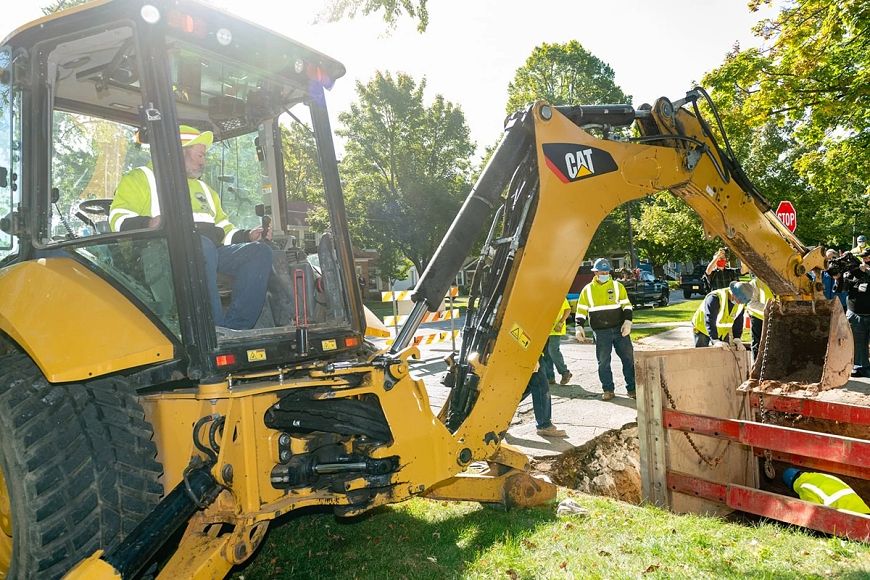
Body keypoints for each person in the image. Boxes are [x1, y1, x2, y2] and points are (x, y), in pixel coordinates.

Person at [110, 125, 273, 330]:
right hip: (159, 254)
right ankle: (210, 329)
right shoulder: (141, 178)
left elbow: (224, 230)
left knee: (259, 253)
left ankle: (235, 329)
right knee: (201, 246)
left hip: (205, 253)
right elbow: (118, 218)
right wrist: (149, 223)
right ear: (179, 152)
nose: (203, 161)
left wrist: (248, 235)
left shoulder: (206, 190)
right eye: (200, 155)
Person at [574, 258, 635, 401]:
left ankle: (632, 388)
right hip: (601, 332)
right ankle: (608, 389)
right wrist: (578, 326)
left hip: (620, 329)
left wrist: (628, 322)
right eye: (602, 272)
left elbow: (626, 305)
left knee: (628, 359)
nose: (604, 274)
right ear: (595, 272)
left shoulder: (617, 286)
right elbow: (581, 310)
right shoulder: (587, 290)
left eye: (607, 272)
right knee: (603, 362)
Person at [833, 248, 870, 377]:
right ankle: (860, 366)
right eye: (863, 258)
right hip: (856, 313)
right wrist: (839, 277)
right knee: (858, 342)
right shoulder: (855, 271)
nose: (865, 260)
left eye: (867, 258)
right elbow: (841, 287)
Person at [692, 281, 754, 347]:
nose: (740, 303)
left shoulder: (740, 303)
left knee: (724, 352)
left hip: (722, 332)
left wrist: (737, 338)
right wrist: (715, 340)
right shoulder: (715, 298)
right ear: (733, 294)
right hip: (702, 328)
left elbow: (738, 320)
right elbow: (710, 319)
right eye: (739, 300)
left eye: (742, 302)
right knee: (702, 354)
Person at [782, 468, 870, 514]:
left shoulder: (804, 488)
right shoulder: (822, 476)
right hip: (864, 510)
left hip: (850, 517)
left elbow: (814, 512)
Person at [524, 355, 568, 438]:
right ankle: (544, 425)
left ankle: (498, 416)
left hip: (532, 352)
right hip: (529, 352)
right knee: (541, 386)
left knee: (527, 387)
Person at [543, 297, 573, 385]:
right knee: (546, 353)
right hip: (544, 329)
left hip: (556, 328)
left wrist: (561, 322)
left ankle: (565, 372)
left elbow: (567, 309)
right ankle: (550, 377)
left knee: (553, 351)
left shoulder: (559, 295)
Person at [746, 276, 772, 359]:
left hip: (774, 316)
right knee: (758, 344)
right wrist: (770, 308)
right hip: (758, 317)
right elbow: (750, 303)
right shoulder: (756, 283)